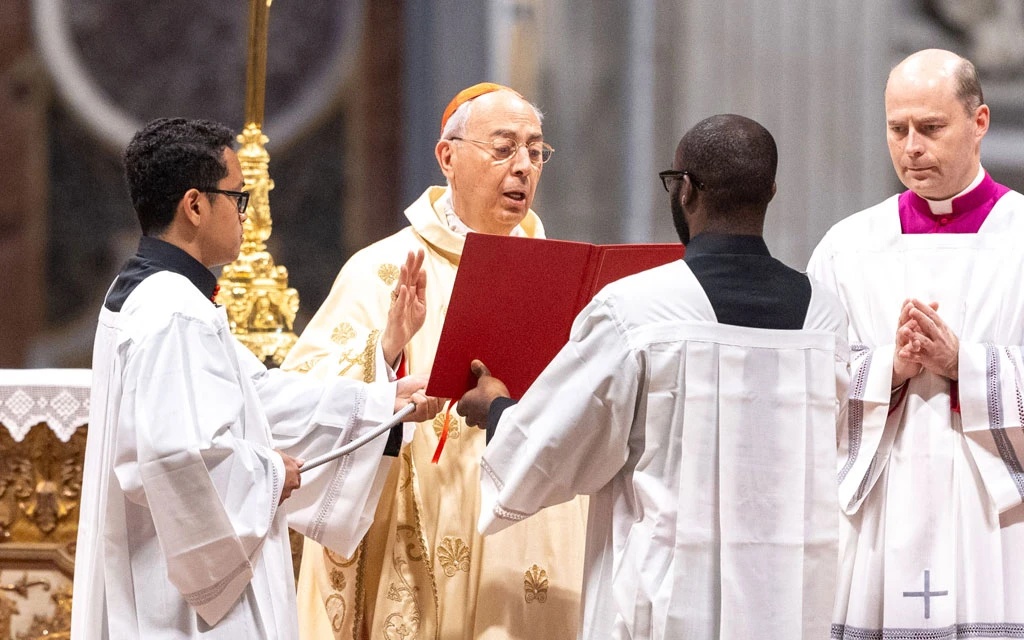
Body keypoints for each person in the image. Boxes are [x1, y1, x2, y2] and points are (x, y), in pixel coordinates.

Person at [458, 114, 850, 639]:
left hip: (668, 606)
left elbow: (559, 444)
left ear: (685, 190)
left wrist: (499, 411)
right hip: (788, 604)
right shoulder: (824, 318)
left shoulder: (639, 310)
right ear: (770, 192)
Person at [71, 117, 443, 639]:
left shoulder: (157, 294)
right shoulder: (173, 312)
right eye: (238, 199)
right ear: (195, 205)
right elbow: (174, 454)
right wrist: (270, 474)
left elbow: (257, 398)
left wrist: (383, 400)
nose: (246, 216)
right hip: (182, 610)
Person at [281, 83, 589, 639]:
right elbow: (301, 394)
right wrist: (387, 354)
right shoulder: (384, 268)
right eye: (503, 148)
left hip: (528, 527)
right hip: (417, 517)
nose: (523, 167)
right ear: (448, 156)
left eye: (535, 151)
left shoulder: (563, 277)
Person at [808, 48, 1024, 637]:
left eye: (930, 128)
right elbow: (806, 388)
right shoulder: (847, 247)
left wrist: (966, 365)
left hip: (997, 521)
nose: (911, 147)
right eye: (897, 129)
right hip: (881, 510)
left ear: (979, 122)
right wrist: (890, 370)